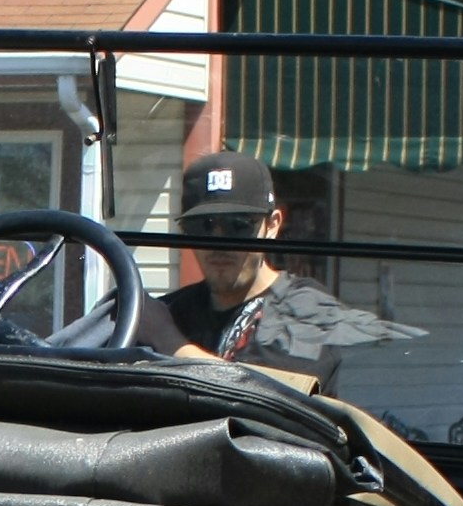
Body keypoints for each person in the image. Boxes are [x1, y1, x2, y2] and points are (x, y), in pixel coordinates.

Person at [124, 150, 423, 371]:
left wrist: (166, 339)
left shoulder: (308, 312)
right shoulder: (171, 312)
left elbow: (265, 401)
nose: (219, 241)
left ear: (273, 225)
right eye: (202, 226)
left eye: (237, 225)